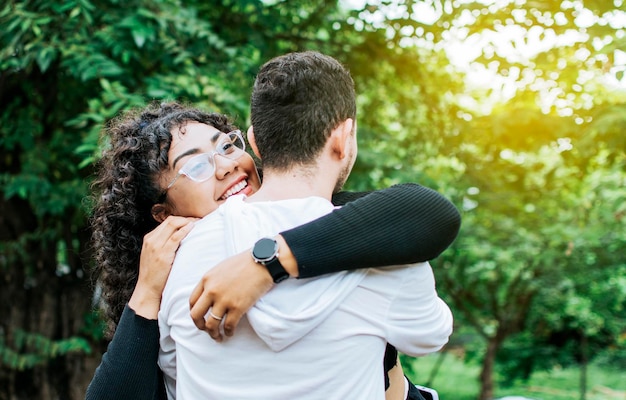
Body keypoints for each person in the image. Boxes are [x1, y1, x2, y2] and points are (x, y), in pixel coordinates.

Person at [157, 51, 453, 399]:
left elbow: (173, 369)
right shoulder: (384, 257)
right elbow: (431, 335)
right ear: (343, 138)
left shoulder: (181, 256)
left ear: (254, 142)